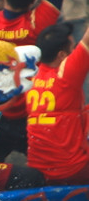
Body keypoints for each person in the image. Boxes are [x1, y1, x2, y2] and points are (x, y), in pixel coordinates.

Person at [23, 22, 89, 188]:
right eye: (73, 48)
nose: (75, 51)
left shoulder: (30, 76)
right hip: (73, 170)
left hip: (37, 169)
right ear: (61, 55)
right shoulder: (66, 74)